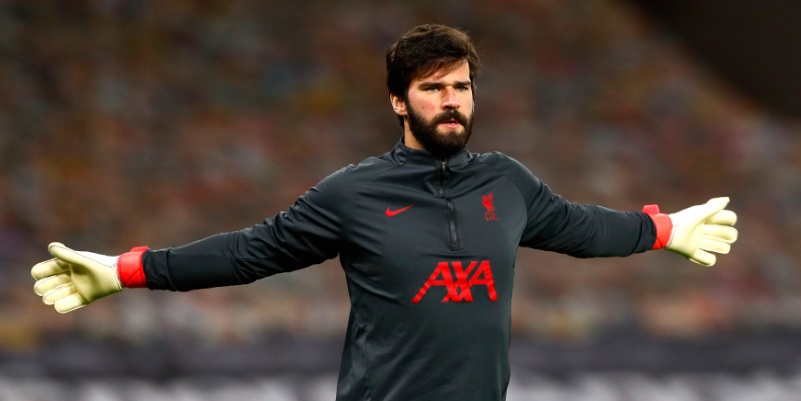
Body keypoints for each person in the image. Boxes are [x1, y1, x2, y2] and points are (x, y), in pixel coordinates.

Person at [31, 24, 738, 401]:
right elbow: (248, 253)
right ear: (399, 101)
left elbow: (584, 228)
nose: (452, 100)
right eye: (433, 88)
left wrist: (665, 229)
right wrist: (124, 270)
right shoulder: (353, 193)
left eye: (461, 86)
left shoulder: (508, 183)